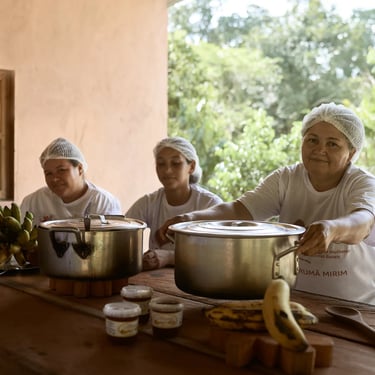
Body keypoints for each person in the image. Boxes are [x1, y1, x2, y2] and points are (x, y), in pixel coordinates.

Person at [157, 103, 375, 305]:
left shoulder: (361, 183)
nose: (320, 149)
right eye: (312, 140)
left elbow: (362, 221)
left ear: (351, 153)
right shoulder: (287, 179)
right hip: (293, 301)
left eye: (333, 144)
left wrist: (331, 230)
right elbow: (240, 210)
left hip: (354, 309)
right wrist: (190, 219)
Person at [125, 136, 223, 270]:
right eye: (161, 164)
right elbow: (123, 233)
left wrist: (170, 257)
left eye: (176, 163)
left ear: (191, 166)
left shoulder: (210, 204)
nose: (167, 170)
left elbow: (220, 255)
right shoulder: (148, 203)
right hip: (156, 280)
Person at [21, 137, 122, 225]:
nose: (55, 179)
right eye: (48, 173)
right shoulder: (33, 202)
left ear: (80, 169)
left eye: (61, 170)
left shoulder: (103, 203)